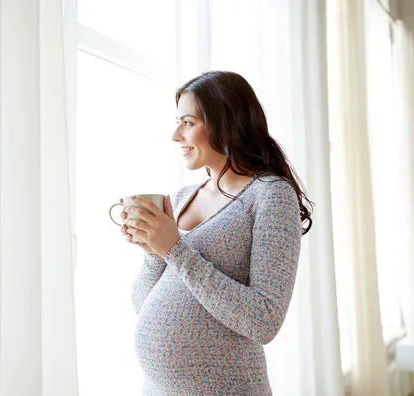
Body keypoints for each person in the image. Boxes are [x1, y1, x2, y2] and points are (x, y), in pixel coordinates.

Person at [119, 71, 313, 395]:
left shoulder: (270, 195)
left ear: (226, 122)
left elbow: (264, 321)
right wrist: (154, 251)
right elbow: (143, 304)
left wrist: (175, 250)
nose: (175, 135)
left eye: (188, 123)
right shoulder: (181, 197)